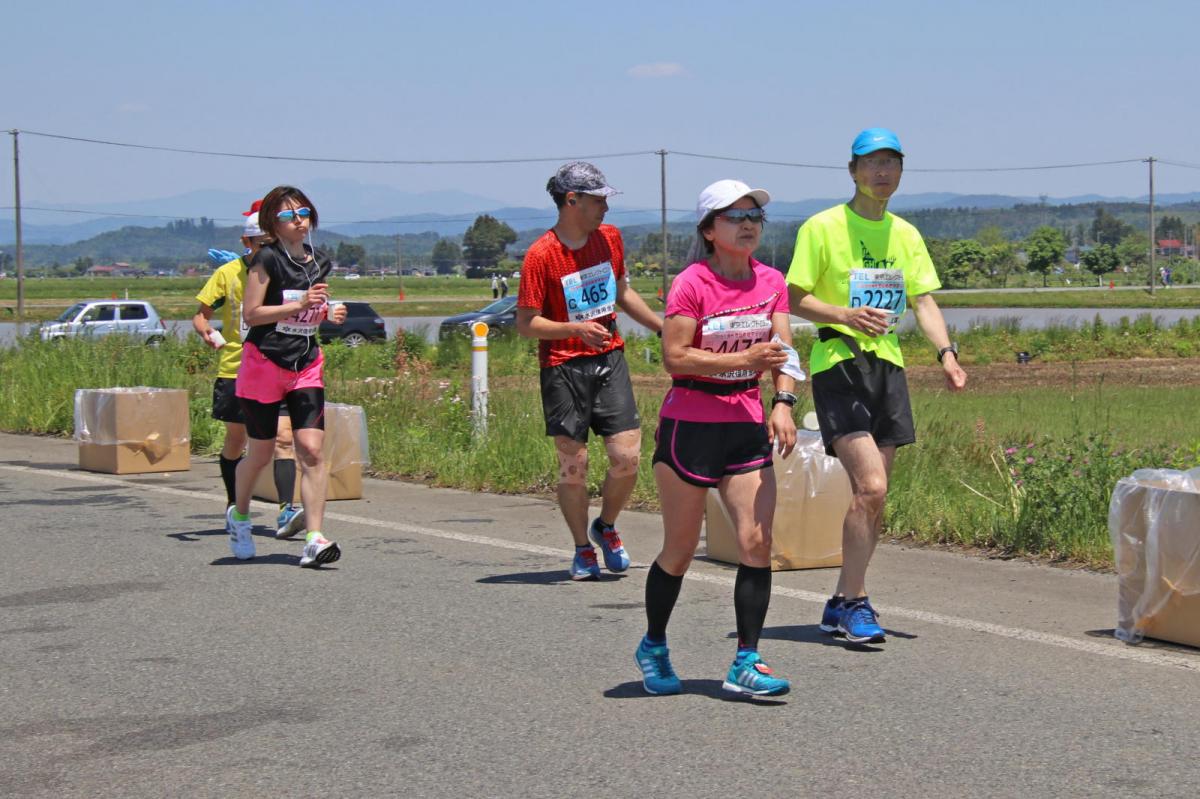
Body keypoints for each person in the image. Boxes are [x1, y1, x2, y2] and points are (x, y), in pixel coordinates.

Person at [786, 128, 967, 643]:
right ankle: (857, 603)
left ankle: (843, 599)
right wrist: (844, 313)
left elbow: (923, 301)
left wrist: (947, 354)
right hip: (837, 363)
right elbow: (792, 296)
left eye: (892, 163)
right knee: (872, 485)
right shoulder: (822, 227)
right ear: (853, 171)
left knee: (873, 498)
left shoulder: (906, 234)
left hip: (888, 368)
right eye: (872, 163)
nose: (882, 172)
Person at [635, 180, 797, 697]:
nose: (749, 224)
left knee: (756, 542)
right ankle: (654, 644)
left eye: (756, 217)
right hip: (691, 425)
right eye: (734, 216)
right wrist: (743, 360)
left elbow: (784, 354)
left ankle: (746, 660)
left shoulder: (771, 280)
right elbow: (675, 356)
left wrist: (784, 402)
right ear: (709, 230)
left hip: (746, 424)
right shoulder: (691, 283)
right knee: (680, 551)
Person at [516, 161, 663, 580]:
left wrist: (662, 327)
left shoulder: (610, 239)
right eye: (598, 200)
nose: (605, 209)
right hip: (563, 366)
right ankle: (583, 548)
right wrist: (574, 329)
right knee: (574, 465)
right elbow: (527, 324)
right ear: (571, 200)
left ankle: (607, 526)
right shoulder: (541, 255)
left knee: (627, 457)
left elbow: (621, 292)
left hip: (610, 357)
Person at [226, 185, 349, 568]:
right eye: (287, 216)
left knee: (311, 450)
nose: (298, 221)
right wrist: (298, 304)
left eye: (304, 213)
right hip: (264, 362)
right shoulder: (266, 259)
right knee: (260, 453)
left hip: (306, 363)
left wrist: (328, 313)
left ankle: (313, 537)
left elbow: (312, 308)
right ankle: (240, 516)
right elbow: (252, 314)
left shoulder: (319, 262)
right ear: (272, 225)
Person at [192, 204, 305, 540]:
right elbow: (200, 315)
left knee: (284, 438)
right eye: (258, 243)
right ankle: (234, 503)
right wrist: (206, 332)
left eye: (270, 242)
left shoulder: (284, 269)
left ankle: (287, 509)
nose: (265, 249)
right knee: (238, 440)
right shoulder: (226, 274)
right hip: (236, 368)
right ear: (246, 241)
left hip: (278, 363)